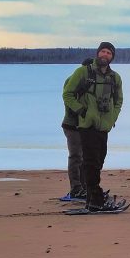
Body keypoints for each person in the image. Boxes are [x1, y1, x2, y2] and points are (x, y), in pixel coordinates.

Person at [61, 41, 124, 211]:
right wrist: (81, 111)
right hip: (86, 125)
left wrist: (113, 117)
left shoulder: (115, 77)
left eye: (109, 53)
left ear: (112, 57)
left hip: (104, 126)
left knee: (98, 160)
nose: (105, 55)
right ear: (98, 53)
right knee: (89, 161)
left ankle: (91, 197)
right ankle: (95, 199)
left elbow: (118, 100)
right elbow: (67, 94)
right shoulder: (83, 72)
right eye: (103, 51)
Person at [59, 65, 88, 202]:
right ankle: (76, 189)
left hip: (84, 126)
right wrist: (80, 112)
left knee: (85, 157)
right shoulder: (73, 81)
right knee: (76, 157)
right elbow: (68, 101)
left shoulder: (91, 81)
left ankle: (85, 187)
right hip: (72, 125)